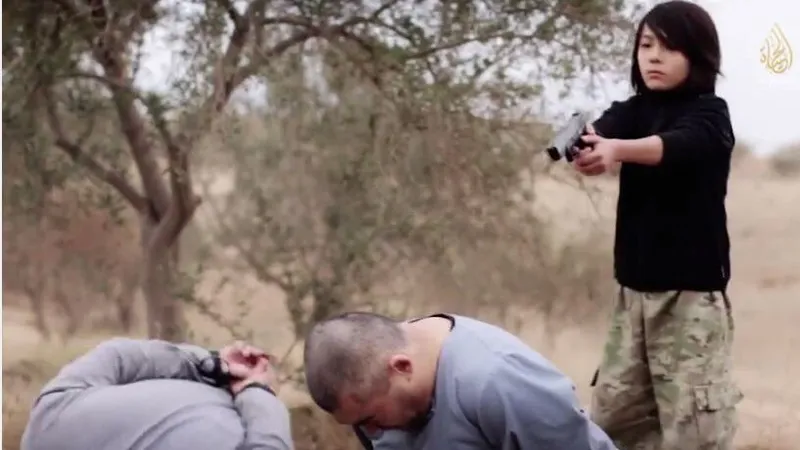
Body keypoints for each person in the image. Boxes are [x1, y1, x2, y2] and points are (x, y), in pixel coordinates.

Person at [570, 1, 742, 449]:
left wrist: (617, 150)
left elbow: (676, 145)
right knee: (611, 425)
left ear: (698, 55)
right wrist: (587, 144)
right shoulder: (633, 110)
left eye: (669, 48)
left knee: (693, 431)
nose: (653, 57)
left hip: (690, 302)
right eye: (646, 45)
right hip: (632, 299)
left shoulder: (711, 114)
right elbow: (605, 132)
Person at [303, 312, 617, 450]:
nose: (371, 434)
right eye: (359, 425)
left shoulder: (498, 381)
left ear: (401, 367)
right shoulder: (370, 390)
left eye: (371, 420)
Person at [20, 337, 293, 450]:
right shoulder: (46, 422)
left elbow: (118, 356)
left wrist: (214, 365)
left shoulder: (47, 421)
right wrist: (257, 391)